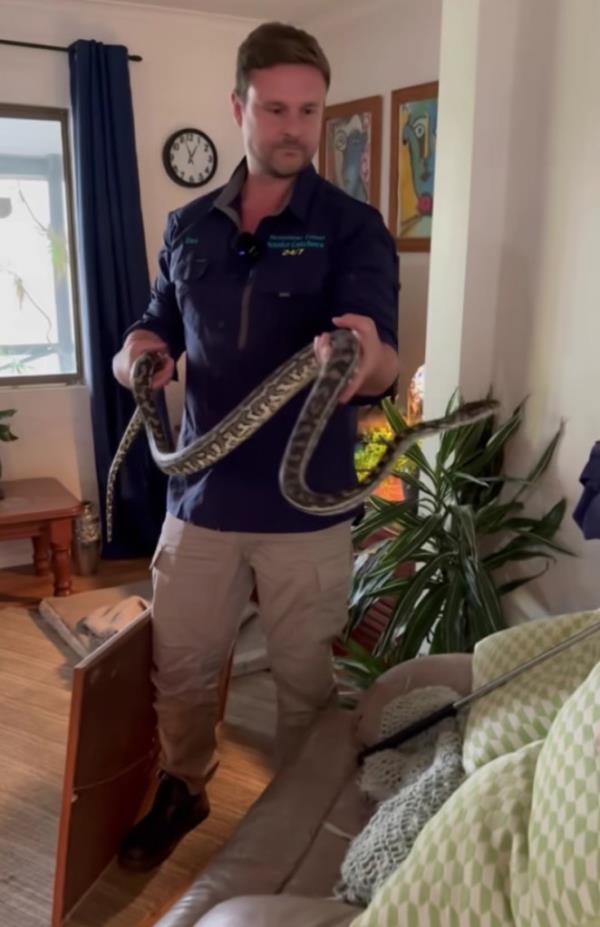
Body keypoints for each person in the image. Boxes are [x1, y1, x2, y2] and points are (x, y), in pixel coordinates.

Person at [112, 20, 400, 871]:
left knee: (307, 681)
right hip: (198, 498)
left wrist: (360, 357)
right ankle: (186, 783)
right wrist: (136, 353)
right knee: (184, 666)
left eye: (308, 111)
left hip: (304, 509)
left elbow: (382, 358)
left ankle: (301, 818)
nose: (293, 128)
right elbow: (155, 324)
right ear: (238, 107)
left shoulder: (349, 226)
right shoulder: (189, 225)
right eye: (275, 108)